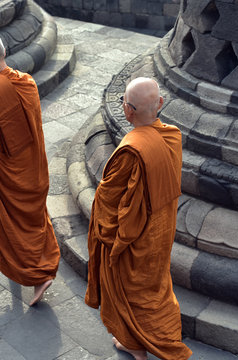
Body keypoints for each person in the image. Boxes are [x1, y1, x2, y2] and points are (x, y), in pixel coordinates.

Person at [85, 77, 192, 360]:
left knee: (131, 289)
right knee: (155, 287)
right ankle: (144, 340)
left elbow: (108, 201)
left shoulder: (130, 150)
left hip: (134, 238)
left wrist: (108, 236)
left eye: (123, 103)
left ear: (128, 111)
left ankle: (138, 345)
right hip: (162, 230)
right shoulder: (173, 136)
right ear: (160, 104)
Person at [0, 32, 60, 306]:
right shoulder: (27, 82)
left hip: (5, 174)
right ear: (4, 53)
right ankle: (41, 265)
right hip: (32, 168)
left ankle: (36, 273)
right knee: (32, 221)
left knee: (10, 226)